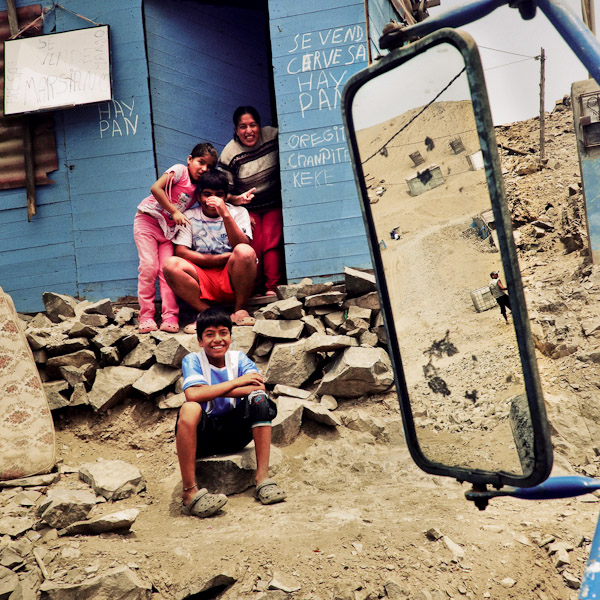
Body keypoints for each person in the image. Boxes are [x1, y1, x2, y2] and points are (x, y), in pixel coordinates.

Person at [176, 307, 286, 517]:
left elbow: (258, 387)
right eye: (209, 334)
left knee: (260, 400)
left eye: (223, 333)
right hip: (204, 438)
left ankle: (262, 480)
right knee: (189, 408)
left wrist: (209, 390)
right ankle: (189, 492)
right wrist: (237, 382)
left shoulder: (239, 359)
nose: (217, 339)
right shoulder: (193, 360)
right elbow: (192, 395)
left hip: (234, 434)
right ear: (200, 341)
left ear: (231, 336)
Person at [134, 143, 218, 334]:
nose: (204, 169)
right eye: (201, 162)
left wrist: (238, 202)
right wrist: (174, 212)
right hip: (148, 221)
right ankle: (146, 315)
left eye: (209, 166)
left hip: (168, 232)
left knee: (166, 272)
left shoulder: (199, 189)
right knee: (148, 267)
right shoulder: (180, 171)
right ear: (190, 160)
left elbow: (216, 195)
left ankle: (170, 315)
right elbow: (155, 188)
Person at [163, 170, 257, 331]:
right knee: (171, 264)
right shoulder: (189, 216)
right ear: (199, 196)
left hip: (232, 275)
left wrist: (225, 214)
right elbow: (182, 252)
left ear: (226, 197)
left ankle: (239, 310)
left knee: (245, 252)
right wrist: (221, 258)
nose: (212, 200)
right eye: (207, 194)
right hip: (203, 276)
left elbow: (242, 245)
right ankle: (207, 312)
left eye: (218, 195)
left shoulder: (238, 212)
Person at [219, 106, 284, 297]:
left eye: (253, 125)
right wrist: (237, 200)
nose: (249, 131)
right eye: (243, 127)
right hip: (247, 209)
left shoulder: (273, 136)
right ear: (236, 130)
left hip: (273, 202)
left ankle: (272, 288)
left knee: (272, 244)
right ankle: (254, 290)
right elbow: (224, 194)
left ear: (260, 125)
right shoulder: (230, 154)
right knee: (253, 247)